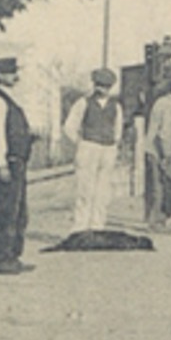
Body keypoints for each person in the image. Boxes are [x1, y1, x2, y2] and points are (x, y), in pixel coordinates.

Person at [0, 57, 33, 274]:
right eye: (11, 72)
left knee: (19, 212)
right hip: (8, 163)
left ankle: (13, 255)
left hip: (17, 162)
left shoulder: (11, 99)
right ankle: (1, 258)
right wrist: (1, 164)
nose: (16, 76)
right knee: (6, 211)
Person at [63, 68, 124, 234]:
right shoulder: (83, 102)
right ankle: (80, 227)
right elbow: (69, 126)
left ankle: (98, 226)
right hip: (89, 147)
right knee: (84, 189)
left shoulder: (116, 106)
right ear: (94, 84)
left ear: (110, 87)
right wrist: (80, 142)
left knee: (103, 190)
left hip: (108, 149)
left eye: (105, 86)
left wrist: (114, 145)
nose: (101, 89)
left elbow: (118, 129)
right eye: (99, 85)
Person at [144, 79, 171, 232]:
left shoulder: (163, 102)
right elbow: (164, 132)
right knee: (161, 187)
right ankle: (156, 223)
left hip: (155, 148)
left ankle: (159, 220)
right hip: (158, 150)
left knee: (161, 186)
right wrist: (167, 155)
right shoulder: (169, 105)